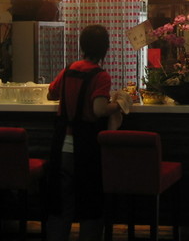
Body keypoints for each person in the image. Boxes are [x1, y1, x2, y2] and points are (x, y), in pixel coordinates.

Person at [46, 25, 125, 241]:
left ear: (82, 46)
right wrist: (119, 104)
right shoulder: (101, 76)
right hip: (86, 148)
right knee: (90, 204)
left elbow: (51, 94)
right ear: (105, 49)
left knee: (61, 204)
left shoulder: (69, 69)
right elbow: (99, 110)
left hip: (62, 146)